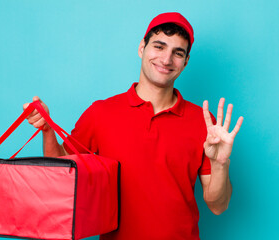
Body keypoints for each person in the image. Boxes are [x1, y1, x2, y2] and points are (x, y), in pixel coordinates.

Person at [23, 12, 243, 240]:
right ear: (142, 48)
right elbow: (61, 176)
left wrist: (220, 164)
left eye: (177, 53)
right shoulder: (101, 113)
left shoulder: (203, 122)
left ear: (185, 62)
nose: (166, 60)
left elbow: (218, 206)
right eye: (159, 46)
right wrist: (47, 130)